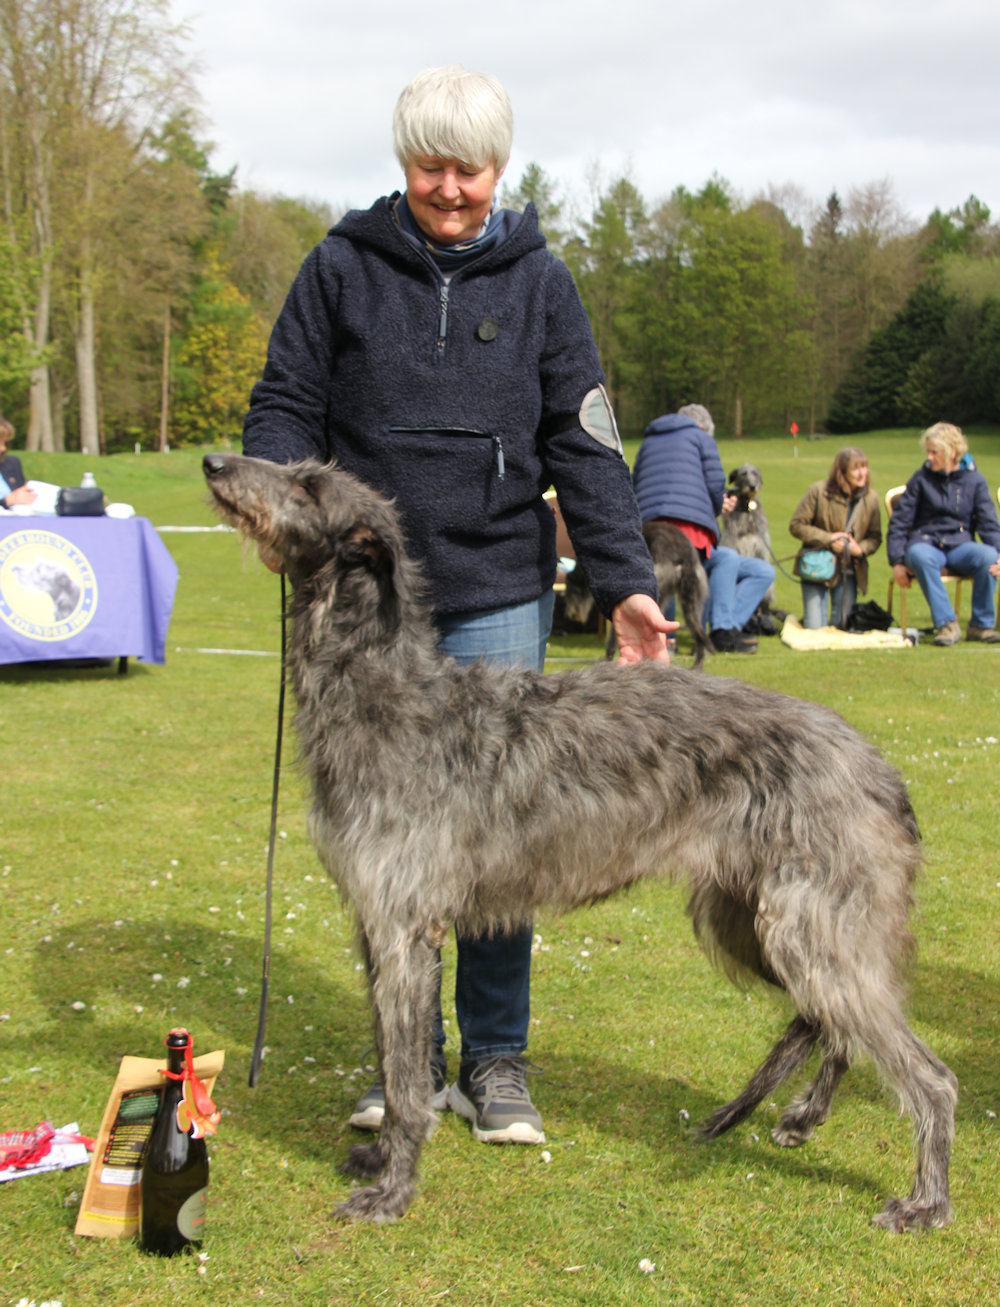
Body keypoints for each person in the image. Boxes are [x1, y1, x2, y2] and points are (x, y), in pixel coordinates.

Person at [241, 65, 670, 1145]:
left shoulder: (540, 281)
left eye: (468, 169)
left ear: (500, 167)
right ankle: (407, 1065)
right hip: (365, 606)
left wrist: (621, 581)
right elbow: (285, 401)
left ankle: (494, 1058)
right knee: (380, 842)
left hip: (493, 589)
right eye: (431, 166)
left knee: (500, 837)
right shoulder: (340, 265)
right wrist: (274, 509)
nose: (449, 189)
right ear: (403, 162)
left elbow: (584, 436)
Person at [631, 404, 775, 653]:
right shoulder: (701, 438)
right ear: (704, 428)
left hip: (648, 531)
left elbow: (635, 483)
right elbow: (715, 483)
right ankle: (714, 632)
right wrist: (721, 505)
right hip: (689, 535)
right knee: (717, 559)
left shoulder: (648, 441)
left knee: (721, 560)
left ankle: (693, 634)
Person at [886, 421, 1000, 646]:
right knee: (919, 555)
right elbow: (899, 522)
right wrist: (898, 561)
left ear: (952, 452)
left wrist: (999, 553)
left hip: (961, 546)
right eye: (928, 451)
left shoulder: (975, 481)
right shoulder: (920, 479)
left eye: (934, 452)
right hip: (926, 544)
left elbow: (989, 524)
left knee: (987, 557)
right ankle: (947, 625)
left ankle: (981, 626)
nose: (929, 457)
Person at [789, 446, 881, 629]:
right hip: (816, 566)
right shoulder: (818, 491)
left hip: (848, 568)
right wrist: (829, 538)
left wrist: (859, 549)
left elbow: (875, 537)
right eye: (856, 468)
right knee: (814, 628)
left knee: (844, 625)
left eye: (864, 467)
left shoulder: (871, 498)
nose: (862, 473)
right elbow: (796, 525)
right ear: (842, 472)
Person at [0, 417, 37, 510]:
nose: (3, 448)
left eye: (4, 442)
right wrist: (7, 501)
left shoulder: (12, 463)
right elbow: (10, 500)